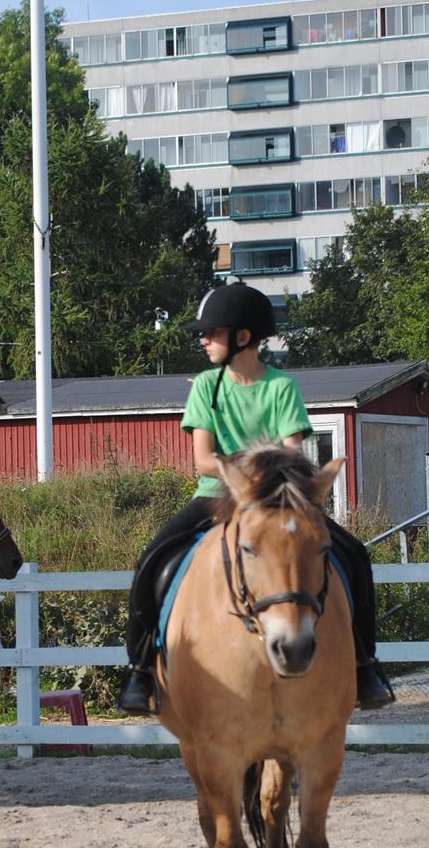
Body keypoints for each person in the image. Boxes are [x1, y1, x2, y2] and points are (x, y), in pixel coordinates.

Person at [116, 281, 393, 716]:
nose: (202, 339)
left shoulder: (282, 388)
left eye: (212, 332)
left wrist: (259, 478)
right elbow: (205, 461)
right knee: (151, 559)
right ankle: (140, 671)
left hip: (277, 503)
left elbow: (294, 455)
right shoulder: (205, 386)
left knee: (354, 555)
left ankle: (365, 665)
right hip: (215, 496)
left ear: (242, 337)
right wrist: (254, 472)